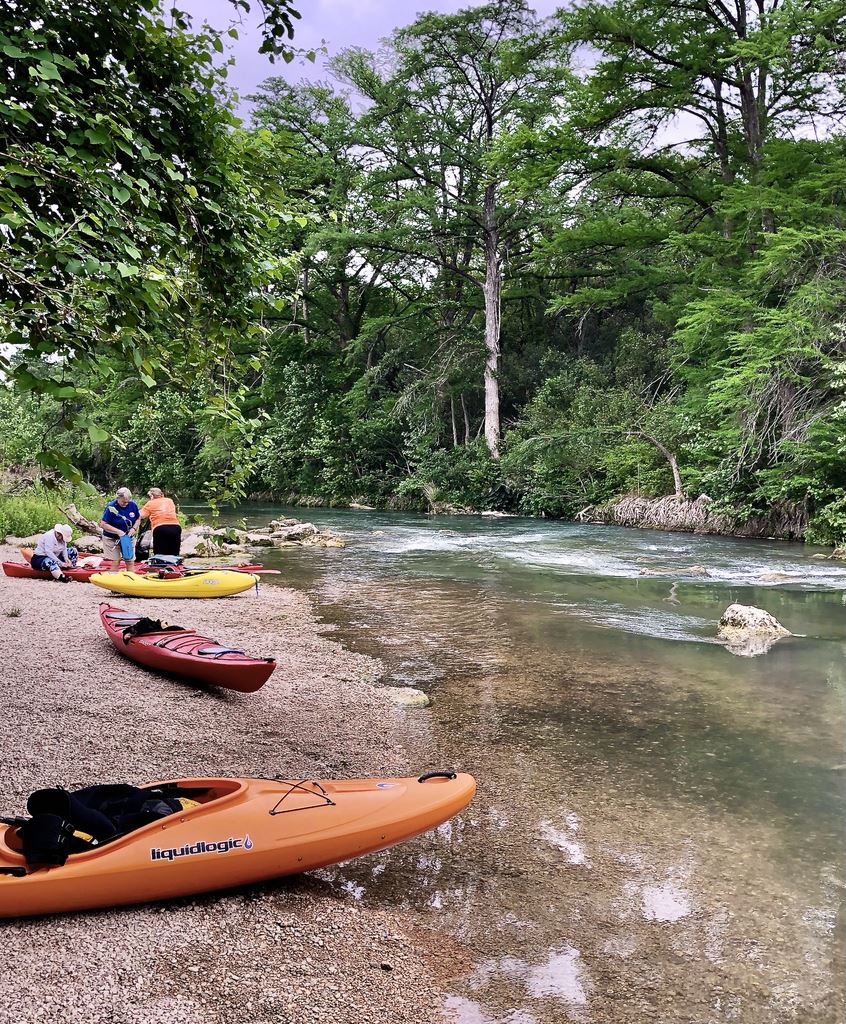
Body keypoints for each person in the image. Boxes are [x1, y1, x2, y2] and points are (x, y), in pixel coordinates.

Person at [100, 487, 140, 571]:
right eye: (123, 502)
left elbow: (138, 518)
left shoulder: (133, 505)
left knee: (130, 560)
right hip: (111, 538)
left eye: (127, 502)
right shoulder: (111, 507)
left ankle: (131, 580)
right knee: (116, 560)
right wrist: (118, 531)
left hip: (128, 537)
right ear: (118, 498)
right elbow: (103, 524)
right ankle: (113, 580)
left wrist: (134, 529)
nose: (126, 503)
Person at [138, 487, 182, 557]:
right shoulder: (169, 501)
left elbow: (141, 515)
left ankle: (160, 565)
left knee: (160, 554)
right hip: (176, 527)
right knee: (174, 553)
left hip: (160, 528)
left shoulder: (150, 503)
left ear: (151, 496)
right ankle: (174, 566)